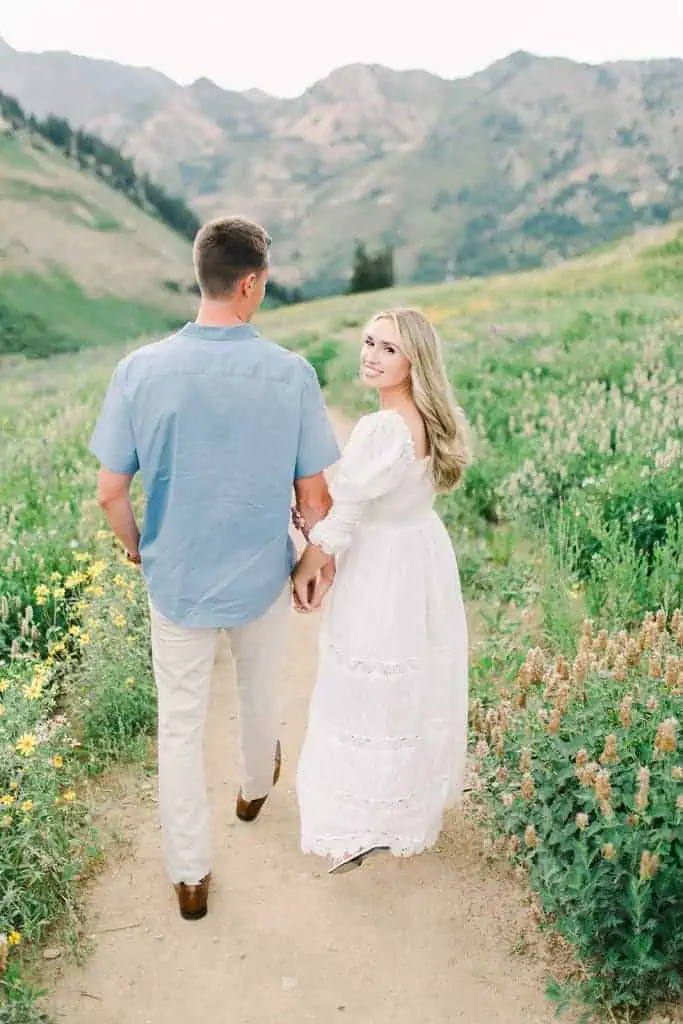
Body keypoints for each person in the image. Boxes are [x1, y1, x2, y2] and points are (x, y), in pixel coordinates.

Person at [89, 215, 340, 919]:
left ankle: (189, 876)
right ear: (250, 283)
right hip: (262, 573)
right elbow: (314, 495)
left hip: (176, 580)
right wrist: (314, 558)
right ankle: (255, 787)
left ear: (202, 277)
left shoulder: (138, 370)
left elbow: (110, 491)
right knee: (259, 694)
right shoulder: (290, 373)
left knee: (180, 723)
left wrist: (138, 543)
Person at [292, 307, 470, 874]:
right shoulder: (426, 418)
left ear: (414, 359)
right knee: (405, 678)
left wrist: (308, 564)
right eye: (368, 342)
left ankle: (364, 819)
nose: (370, 355)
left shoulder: (382, 427)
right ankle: (399, 806)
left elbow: (345, 519)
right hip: (420, 557)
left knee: (364, 678)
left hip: (383, 566)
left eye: (388, 348)